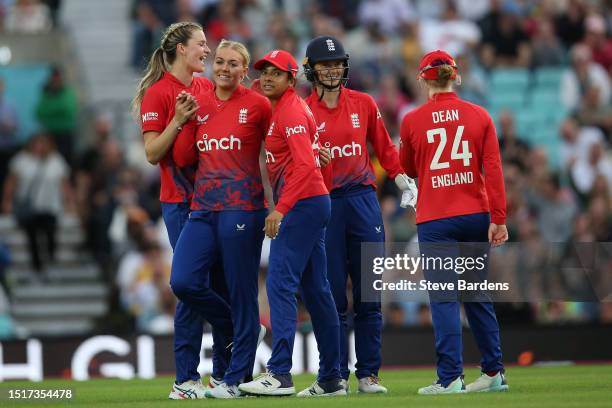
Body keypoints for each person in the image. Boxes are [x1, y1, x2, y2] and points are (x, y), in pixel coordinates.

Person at [302, 35, 417, 394]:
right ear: (312, 70)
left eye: (337, 64)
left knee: (369, 293)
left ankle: (368, 374)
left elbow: (384, 148)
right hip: (325, 205)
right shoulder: (302, 111)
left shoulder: (364, 103)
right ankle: (333, 376)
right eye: (325, 65)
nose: (332, 70)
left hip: (363, 202)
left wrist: (401, 179)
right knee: (332, 296)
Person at [399, 49, 509, 395]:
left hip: (436, 218)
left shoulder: (412, 120)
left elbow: (410, 169)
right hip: (476, 213)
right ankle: (493, 372)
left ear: (422, 79)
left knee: (444, 298)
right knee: (477, 294)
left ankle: (450, 378)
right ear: (455, 76)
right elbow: (492, 170)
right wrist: (499, 218)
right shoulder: (480, 116)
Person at [131, 21, 230, 399]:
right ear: (180, 49)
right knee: (191, 286)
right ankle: (186, 379)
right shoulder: (158, 94)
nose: (208, 50)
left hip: (218, 199)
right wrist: (178, 120)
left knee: (218, 282)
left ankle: (221, 376)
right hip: (180, 203)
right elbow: (153, 153)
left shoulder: (206, 87)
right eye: (201, 44)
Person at [238, 50, 345, 397]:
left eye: (276, 73)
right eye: (263, 72)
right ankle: (331, 377)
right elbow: (311, 158)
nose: (267, 77)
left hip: (301, 204)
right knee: (317, 291)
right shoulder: (284, 107)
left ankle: (280, 374)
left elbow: (304, 167)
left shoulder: (289, 111)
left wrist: (280, 209)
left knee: (280, 284)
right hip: (312, 202)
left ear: (292, 78)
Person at [171, 39, 269, 399]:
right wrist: (181, 120)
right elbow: (182, 158)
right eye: (220, 62)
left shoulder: (258, 105)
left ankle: (236, 379)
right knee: (182, 281)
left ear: (245, 71)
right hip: (203, 209)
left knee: (242, 291)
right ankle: (240, 328)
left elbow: (281, 145)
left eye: (233, 64)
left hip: (242, 208)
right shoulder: (200, 104)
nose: (225, 68)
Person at [1, 133, 73, 279]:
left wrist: (69, 203)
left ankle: (50, 264)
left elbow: (64, 184)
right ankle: (37, 268)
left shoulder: (56, 161)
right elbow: (11, 183)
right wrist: (7, 201)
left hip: (51, 206)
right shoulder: (21, 160)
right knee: (32, 238)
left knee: (51, 236)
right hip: (30, 208)